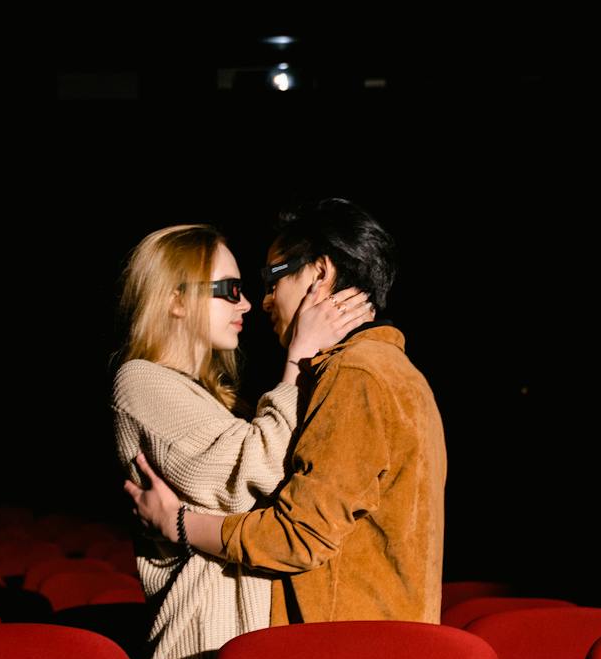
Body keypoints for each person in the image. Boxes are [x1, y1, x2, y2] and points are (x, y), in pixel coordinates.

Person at [127, 200, 446, 628]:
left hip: (345, 653)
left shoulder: (356, 372)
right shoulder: (387, 369)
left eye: (271, 278)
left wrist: (178, 522)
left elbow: (296, 535)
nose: (262, 302)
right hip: (369, 647)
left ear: (319, 274)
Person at [111, 223, 372, 659]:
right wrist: (297, 359)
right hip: (200, 650)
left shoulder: (221, 401)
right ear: (174, 300)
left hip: (250, 646)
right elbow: (254, 470)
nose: (247, 304)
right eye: (229, 291)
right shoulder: (140, 381)